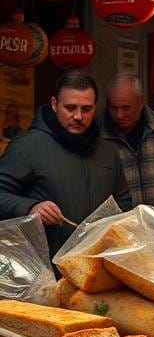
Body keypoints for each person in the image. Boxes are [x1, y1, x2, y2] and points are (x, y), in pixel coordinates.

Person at [0, 71, 131, 253]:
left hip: (96, 264)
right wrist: (30, 207)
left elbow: (124, 200)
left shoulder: (107, 151)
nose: (78, 116)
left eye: (86, 109)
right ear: (54, 104)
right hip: (48, 270)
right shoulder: (28, 146)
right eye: (70, 108)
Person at [100, 73, 154, 225]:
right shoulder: (97, 134)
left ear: (141, 102)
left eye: (126, 108)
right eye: (113, 108)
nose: (119, 115)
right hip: (120, 230)